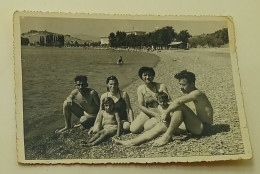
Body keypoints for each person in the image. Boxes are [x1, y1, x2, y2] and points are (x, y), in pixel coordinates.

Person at [153, 70, 213, 146]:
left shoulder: (197, 93)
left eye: (183, 85)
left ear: (192, 84)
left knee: (180, 106)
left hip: (204, 129)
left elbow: (178, 102)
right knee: (161, 126)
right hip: (195, 126)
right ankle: (134, 142)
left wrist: (166, 112)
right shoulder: (190, 95)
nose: (180, 87)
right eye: (180, 84)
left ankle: (167, 136)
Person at [130, 67, 171, 134]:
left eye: (150, 75)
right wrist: (154, 114)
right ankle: (157, 123)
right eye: (145, 75)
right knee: (133, 129)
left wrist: (166, 113)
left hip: (160, 110)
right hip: (148, 111)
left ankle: (161, 125)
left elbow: (169, 101)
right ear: (141, 77)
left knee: (147, 127)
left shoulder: (161, 86)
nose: (147, 77)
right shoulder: (140, 89)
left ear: (153, 76)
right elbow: (141, 106)